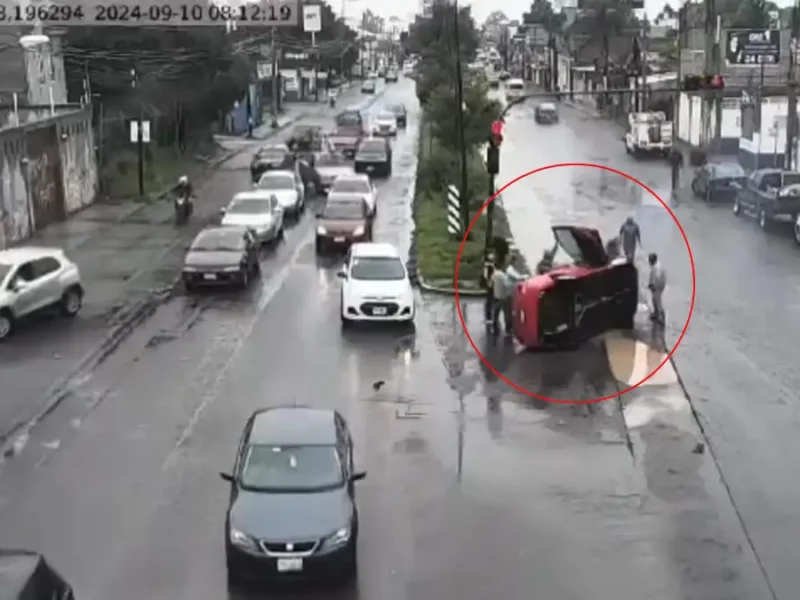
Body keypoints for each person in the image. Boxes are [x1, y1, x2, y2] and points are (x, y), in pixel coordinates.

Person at [490, 261, 525, 335]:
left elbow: (491, 284)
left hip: (496, 296)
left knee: (496, 313)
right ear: (501, 267)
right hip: (504, 296)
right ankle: (508, 329)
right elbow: (506, 285)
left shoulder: (494, 274)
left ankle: (494, 328)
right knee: (507, 313)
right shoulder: (502, 275)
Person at [647, 252, 666, 325]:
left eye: (649, 260)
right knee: (654, 300)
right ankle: (656, 314)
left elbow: (657, 278)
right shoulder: (656, 265)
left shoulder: (657, 268)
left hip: (657, 287)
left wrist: (653, 285)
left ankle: (661, 318)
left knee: (658, 302)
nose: (649, 262)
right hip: (657, 286)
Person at [481, 251, 496, 326]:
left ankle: (490, 317)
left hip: (492, 284)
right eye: (492, 257)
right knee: (489, 300)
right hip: (490, 284)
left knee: (491, 300)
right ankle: (488, 317)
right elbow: (486, 275)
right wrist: (488, 281)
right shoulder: (488, 266)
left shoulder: (491, 265)